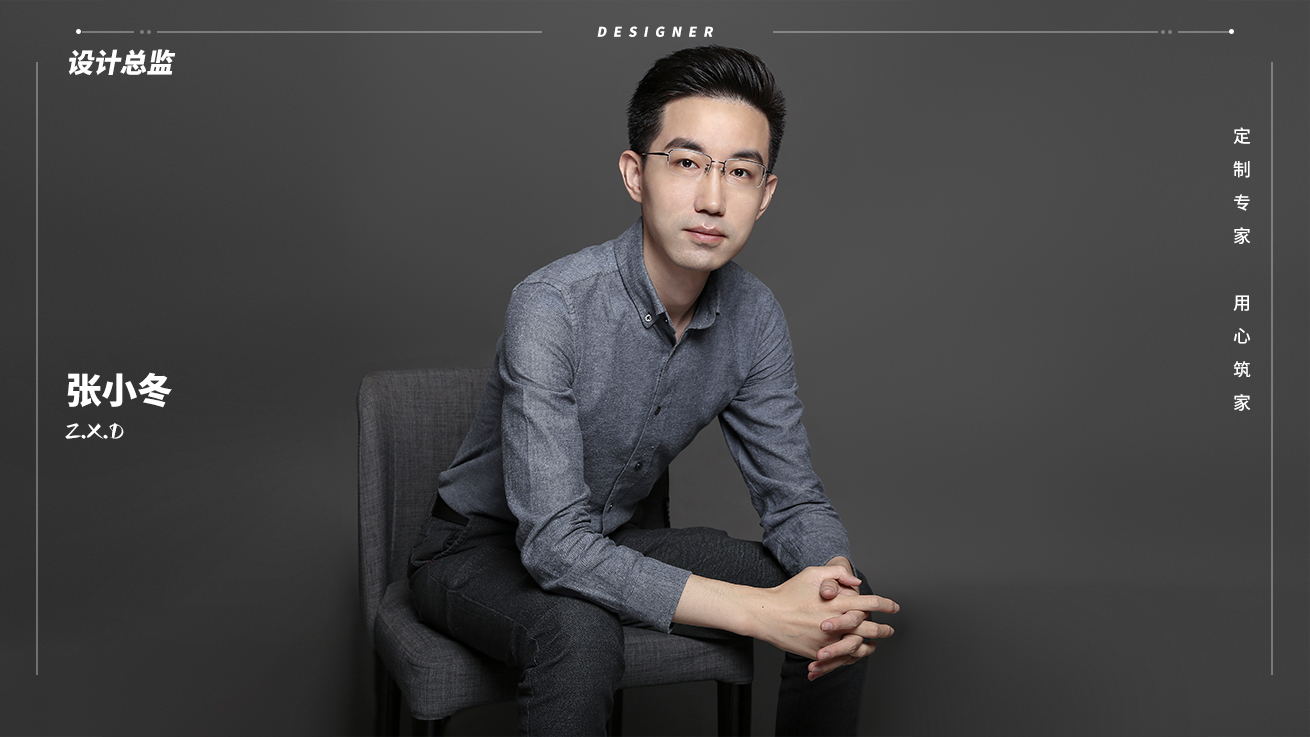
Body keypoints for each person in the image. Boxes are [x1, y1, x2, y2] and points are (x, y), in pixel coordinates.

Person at [407, 44, 900, 736]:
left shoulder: (755, 317)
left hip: (614, 537)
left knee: (840, 598)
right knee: (577, 632)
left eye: (739, 172)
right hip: (478, 551)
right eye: (687, 162)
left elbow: (793, 501)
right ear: (636, 174)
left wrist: (832, 580)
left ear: (765, 195)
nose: (712, 199)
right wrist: (760, 613)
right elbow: (552, 546)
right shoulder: (552, 305)